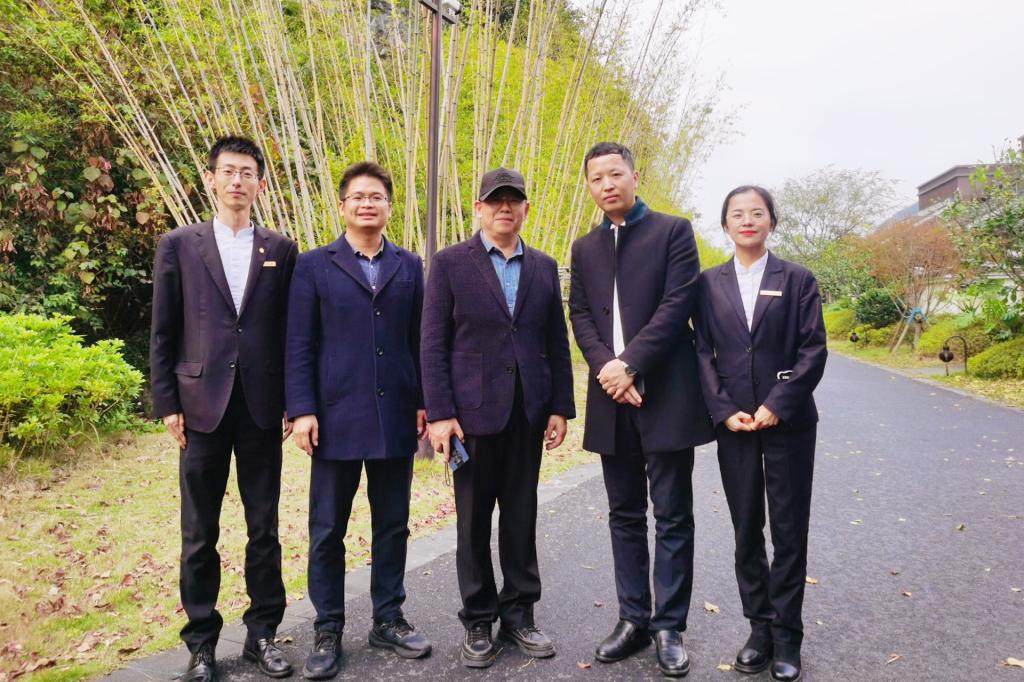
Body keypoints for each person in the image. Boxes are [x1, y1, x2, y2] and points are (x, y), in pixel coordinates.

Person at [150, 135, 297, 681]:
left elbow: (290, 332)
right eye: (228, 171)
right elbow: (163, 329)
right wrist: (167, 402)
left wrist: (293, 401)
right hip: (199, 406)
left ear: (260, 183)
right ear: (210, 179)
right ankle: (201, 643)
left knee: (264, 527)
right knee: (199, 532)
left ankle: (262, 634)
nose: (238, 181)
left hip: (261, 407)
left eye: (247, 172)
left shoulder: (281, 248)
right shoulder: (180, 245)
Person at [568, 142, 713, 677]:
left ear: (634, 175)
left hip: (666, 392)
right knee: (624, 513)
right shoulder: (585, 247)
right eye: (596, 178)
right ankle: (633, 618)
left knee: (672, 513)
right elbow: (580, 313)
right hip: (612, 398)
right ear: (589, 186)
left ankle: (669, 625)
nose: (607, 185)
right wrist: (608, 369)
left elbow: (678, 305)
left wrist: (630, 364)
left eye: (615, 174)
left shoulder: (673, 231)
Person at [420, 167, 575, 669]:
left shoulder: (544, 266)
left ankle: (519, 615)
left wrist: (559, 406)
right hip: (470, 419)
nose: (504, 208)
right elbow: (432, 344)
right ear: (479, 208)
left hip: (528, 413)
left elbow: (555, 340)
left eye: (513, 201)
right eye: (495, 200)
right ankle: (478, 619)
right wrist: (440, 414)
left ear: (526, 208)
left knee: (521, 516)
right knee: (472, 523)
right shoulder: (449, 263)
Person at [285, 161, 431, 679]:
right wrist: (301, 410)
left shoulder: (410, 265)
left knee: (392, 524)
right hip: (334, 416)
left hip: (395, 415)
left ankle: (388, 618)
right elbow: (299, 343)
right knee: (328, 529)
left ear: (389, 206)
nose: (367, 204)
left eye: (377, 197)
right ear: (342, 206)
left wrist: (425, 401)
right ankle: (328, 626)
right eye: (358, 197)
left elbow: (420, 340)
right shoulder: (313, 266)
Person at [694, 186, 827, 682]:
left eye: (757, 213)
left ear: (772, 221)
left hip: (788, 423)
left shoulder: (797, 279)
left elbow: (813, 349)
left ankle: (788, 635)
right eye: (737, 214)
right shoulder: (708, 283)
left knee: (789, 530)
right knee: (746, 527)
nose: (747, 220)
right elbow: (701, 352)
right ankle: (759, 629)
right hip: (736, 426)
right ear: (725, 224)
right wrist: (723, 409)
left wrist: (778, 403)